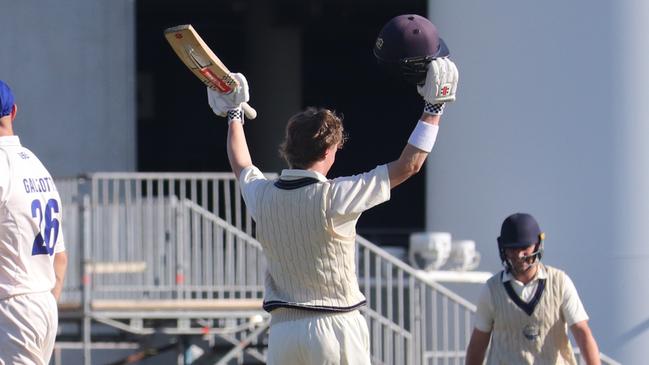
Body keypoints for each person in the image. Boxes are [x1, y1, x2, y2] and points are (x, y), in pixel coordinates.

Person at [205, 23, 458, 365]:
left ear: (288, 149)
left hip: (283, 336)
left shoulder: (262, 195)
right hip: (334, 328)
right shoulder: (336, 198)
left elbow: (241, 163)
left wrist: (234, 115)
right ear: (329, 152)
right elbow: (408, 166)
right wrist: (434, 109)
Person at [465, 213, 600, 365]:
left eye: (525, 247)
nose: (519, 254)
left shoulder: (560, 282)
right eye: (512, 248)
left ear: (538, 244)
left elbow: (582, 333)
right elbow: (477, 345)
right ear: (503, 248)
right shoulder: (491, 290)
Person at [0, 80, 68, 364]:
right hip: (42, 303)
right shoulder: (34, 164)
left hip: (13, 306)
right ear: (13, 112)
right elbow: (60, 259)